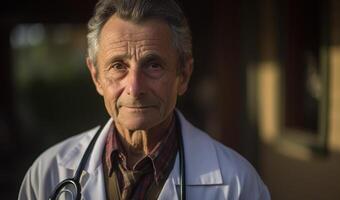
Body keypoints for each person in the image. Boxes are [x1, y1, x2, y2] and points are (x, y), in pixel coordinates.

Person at [18, 0, 270, 199]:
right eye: (118, 66)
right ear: (96, 78)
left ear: (183, 74)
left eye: (153, 65)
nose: (135, 88)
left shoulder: (237, 184)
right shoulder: (48, 175)